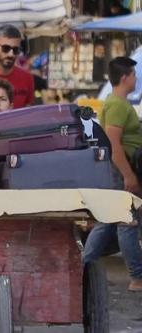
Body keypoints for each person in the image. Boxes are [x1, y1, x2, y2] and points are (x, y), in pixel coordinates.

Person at [83, 56, 142, 292]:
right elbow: (114, 144)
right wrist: (128, 175)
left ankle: (82, 266)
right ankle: (138, 277)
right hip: (121, 170)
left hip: (119, 169)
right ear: (125, 77)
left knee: (108, 222)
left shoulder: (116, 102)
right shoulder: (117, 104)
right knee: (127, 223)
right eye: (134, 75)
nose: (136, 79)